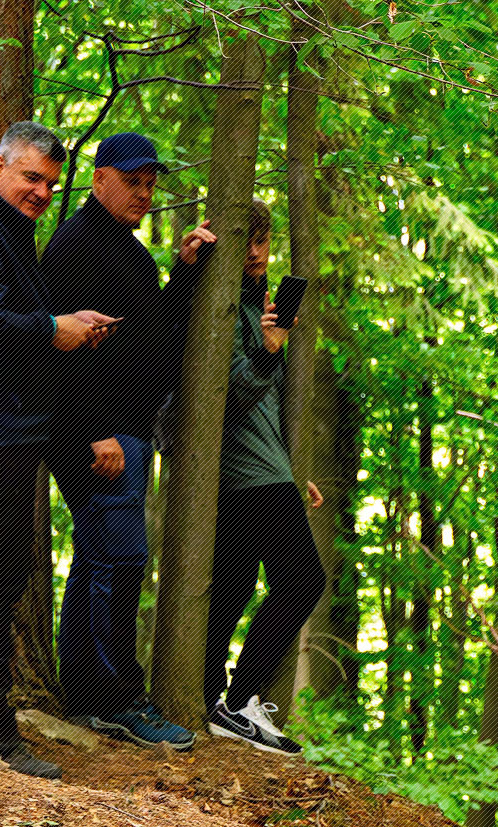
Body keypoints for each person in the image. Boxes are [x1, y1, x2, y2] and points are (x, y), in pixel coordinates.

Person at [0, 121, 116, 780]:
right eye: (31, 177)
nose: (40, 191)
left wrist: (66, 328)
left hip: (4, 434)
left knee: (0, 577)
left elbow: (11, 324)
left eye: (50, 184)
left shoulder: (8, 231)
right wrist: (52, 328)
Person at [42, 131, 215, 749]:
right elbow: (59, 348)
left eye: (149, 184)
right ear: (99, 180)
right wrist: (95, 432)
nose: (143, 193)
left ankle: (86, 693)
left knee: (102, 558)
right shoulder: (76, 245)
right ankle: (115, 700)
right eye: (132, 181)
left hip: (128, 430)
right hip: (97, 434)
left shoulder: (131, 253)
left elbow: (152, 331)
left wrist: (184, 272)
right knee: (118, 560)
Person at [203, 200, 324, 755]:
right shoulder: (221, 307)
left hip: (266, 467)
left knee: (233, 586)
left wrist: (294, 470)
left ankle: (215, 699)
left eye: (263, 240)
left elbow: (269, 405)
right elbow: (227, 396)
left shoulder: (259, 306)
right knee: (302, 581)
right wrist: (271, 349)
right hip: (245, 469)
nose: (255, 252)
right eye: (245, 241)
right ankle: (239, 700)